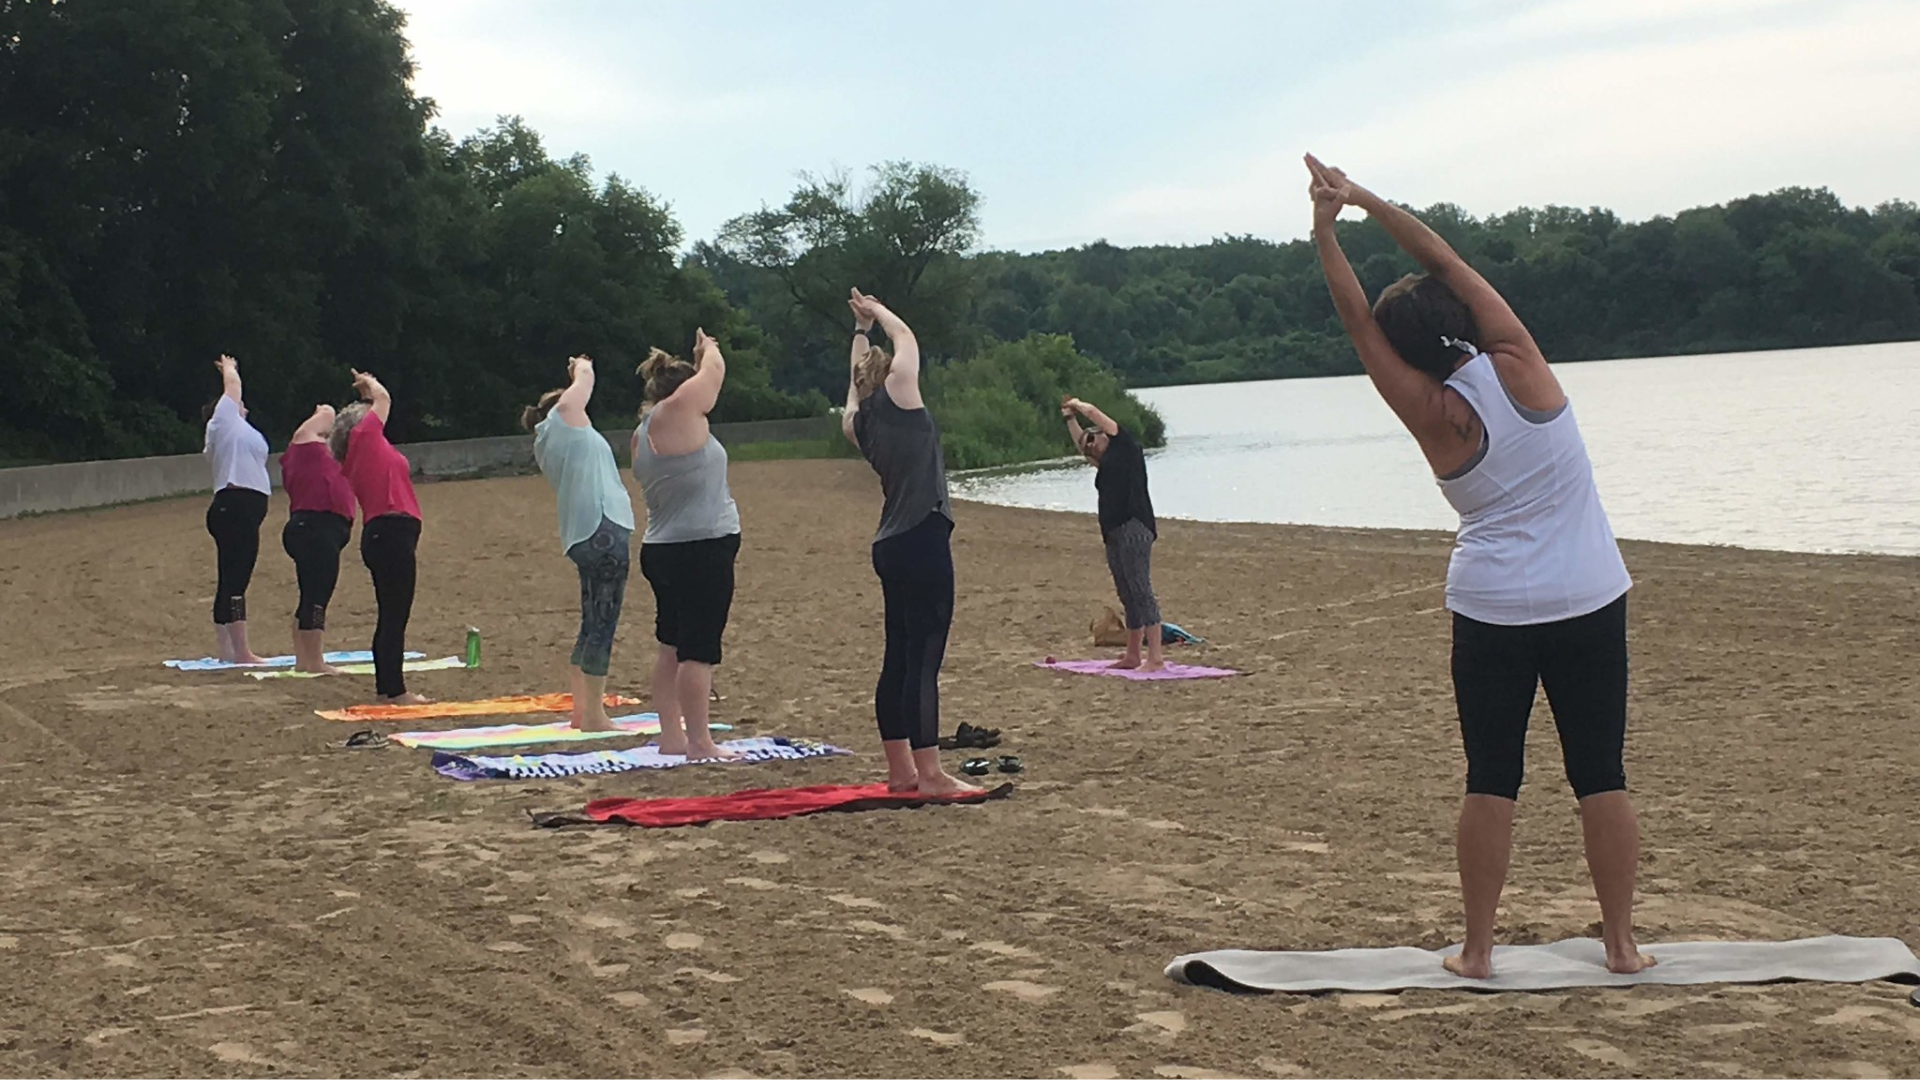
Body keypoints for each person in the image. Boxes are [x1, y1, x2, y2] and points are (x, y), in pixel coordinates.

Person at [1304, 153, 1651, 979]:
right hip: (1590, 595)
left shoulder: (1432, 413)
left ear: (1409, 349)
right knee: (1600, 772)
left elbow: (1356, 321)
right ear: (1458, 316)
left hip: (1493, 605)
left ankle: (1478, 950)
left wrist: (1324, 232)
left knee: (1492, 776)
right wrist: (1360, 199)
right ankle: (1622, 946)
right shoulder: (1519, 357)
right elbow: (1445, 259)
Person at [841, 288, 979, 797]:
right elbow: (907, 337)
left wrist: (858, 330)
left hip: (891, 544)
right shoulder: (901, 396)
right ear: (890, 375)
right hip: (922, 537)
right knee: (923, 661)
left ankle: (901, 772)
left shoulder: (858, 422)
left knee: (897, 657)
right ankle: (931, 775)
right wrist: (877, 312)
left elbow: (855, 385)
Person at [631, 330, 742, 760]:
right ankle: (699, 741)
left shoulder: (644, 431)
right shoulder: (673, 414)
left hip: (665, 546)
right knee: (699, 649)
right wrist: (709, 349)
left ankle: (673, 737)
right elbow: (714, 376)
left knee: (671, 645)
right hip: (698, 548)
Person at [525, 355, 636, 733]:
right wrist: (581, 366)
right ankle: (593, 715)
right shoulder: (563, 422)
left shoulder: (549, 438)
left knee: (591, 622)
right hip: (603, 527)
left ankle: (581, 711)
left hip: (583, 532)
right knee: (603, 622)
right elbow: (582, 385)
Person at [330, 369, 429, 705]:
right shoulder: (365, 441)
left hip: (384, 533)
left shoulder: (360, 451)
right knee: (395, 615)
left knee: (391, 614)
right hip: (391, 532)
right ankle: (396, 690)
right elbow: (384, 399)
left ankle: (388, 686)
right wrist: (368, 383)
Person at [1063, 395, 1163, 671]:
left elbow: (1096, 414)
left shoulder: (1126, 448)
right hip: (1113, 531)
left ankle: (1154, 657)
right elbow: (1082, 443)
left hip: (1134, 526)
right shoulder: (1104, 465)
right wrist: (1069, 420)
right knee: (1127, 592)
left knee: (1141, 590)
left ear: (1104, 436)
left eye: (1093, 439)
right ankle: (1133, 654)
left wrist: (1078, 405)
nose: (1090, 446)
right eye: (1087, 446)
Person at [202, 353, 272, 664]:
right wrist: (230, 367)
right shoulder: (225, 423)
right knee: (236, 577)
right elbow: (233, 388)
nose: (244, 407)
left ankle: (227, 651)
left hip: (238, 509)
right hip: (237, 507)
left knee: (229, 576)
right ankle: (241, 651)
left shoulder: (231, 433)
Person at [280, 404, 356, 674]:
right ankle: (313, 661)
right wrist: (326, 411)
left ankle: (305, 659)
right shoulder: (306, 449)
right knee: (316, 596)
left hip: (316, 527)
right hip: (318, 527)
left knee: (310, 594)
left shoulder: (316, 455)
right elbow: (310, 428)